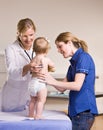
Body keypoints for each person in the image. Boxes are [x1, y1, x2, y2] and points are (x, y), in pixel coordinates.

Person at [38, 32, 98, 130]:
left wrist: (52, 81)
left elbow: (77, 85)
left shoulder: (84, 57)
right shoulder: (72, 65)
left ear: (69, 43)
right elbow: (62, 88)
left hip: (84, 112)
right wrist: (47, 77)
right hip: (76, 112)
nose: (58, 50)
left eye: (60, 46)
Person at [1, 18, 39, 112]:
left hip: (30, 94)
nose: (29, 39)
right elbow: (12, 71)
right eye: (24, 36)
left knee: (30, 124)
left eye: (31, 35)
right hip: (13, 96)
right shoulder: (11, 49)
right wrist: (29, 66)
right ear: (18, 34)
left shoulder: (38, 49)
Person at [28, 37, 55, 119]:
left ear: (34, 49)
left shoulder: (33, 59)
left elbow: (31, 67)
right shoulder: (46, 59)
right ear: (47, 50)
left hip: (32, 82)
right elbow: (53, 66)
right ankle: (38, 115)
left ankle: (30, 114)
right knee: (41, 100)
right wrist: (51, 68)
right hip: (40, 83)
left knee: (33, 100)